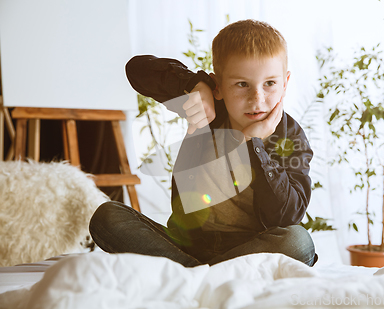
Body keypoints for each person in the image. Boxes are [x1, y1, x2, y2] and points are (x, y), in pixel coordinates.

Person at [89, 19, 317, 267]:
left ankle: (187, 272)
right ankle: (206, 271)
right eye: (242, 84)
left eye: (270, 84)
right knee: (106, 216)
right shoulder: (205, 109)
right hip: (188, 244)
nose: (257, 99)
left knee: (297, 241)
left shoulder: (291, 137)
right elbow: (137, 69)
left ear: (285, 83)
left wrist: (254, 144)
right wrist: (193, 85)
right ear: (219, 86)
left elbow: (287, 215)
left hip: (251, 247)